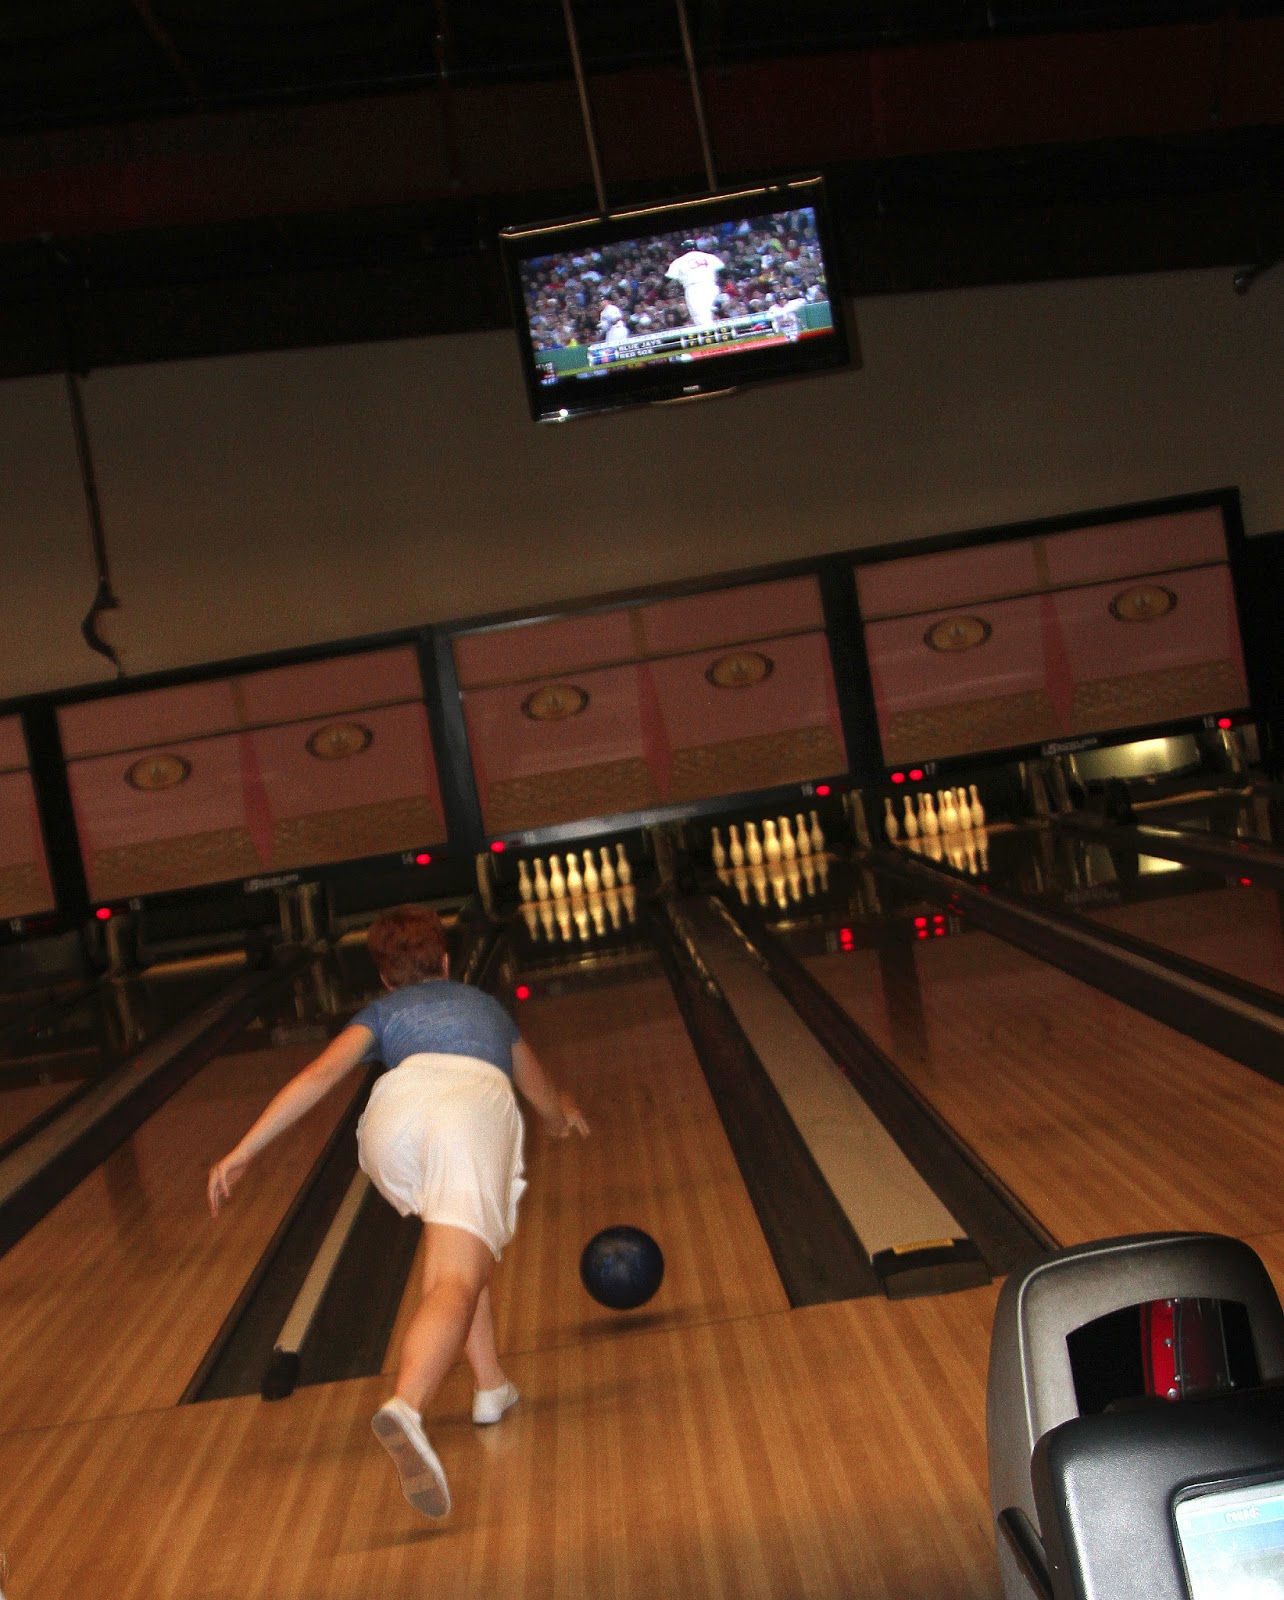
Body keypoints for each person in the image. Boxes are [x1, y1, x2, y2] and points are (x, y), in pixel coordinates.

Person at [207, 903, 588, 1519]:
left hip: (391, 1123)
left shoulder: (382, 1012)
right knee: (453, 1279)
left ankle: (490, 1385)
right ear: (447, 960)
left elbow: (318, 1075)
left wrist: (245, 1150)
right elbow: (536, 1087)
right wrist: (560, 1118)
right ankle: (406, 1407)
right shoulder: (486, 1007)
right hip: (466, 1111)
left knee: (459, 1246)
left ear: (385, 977)